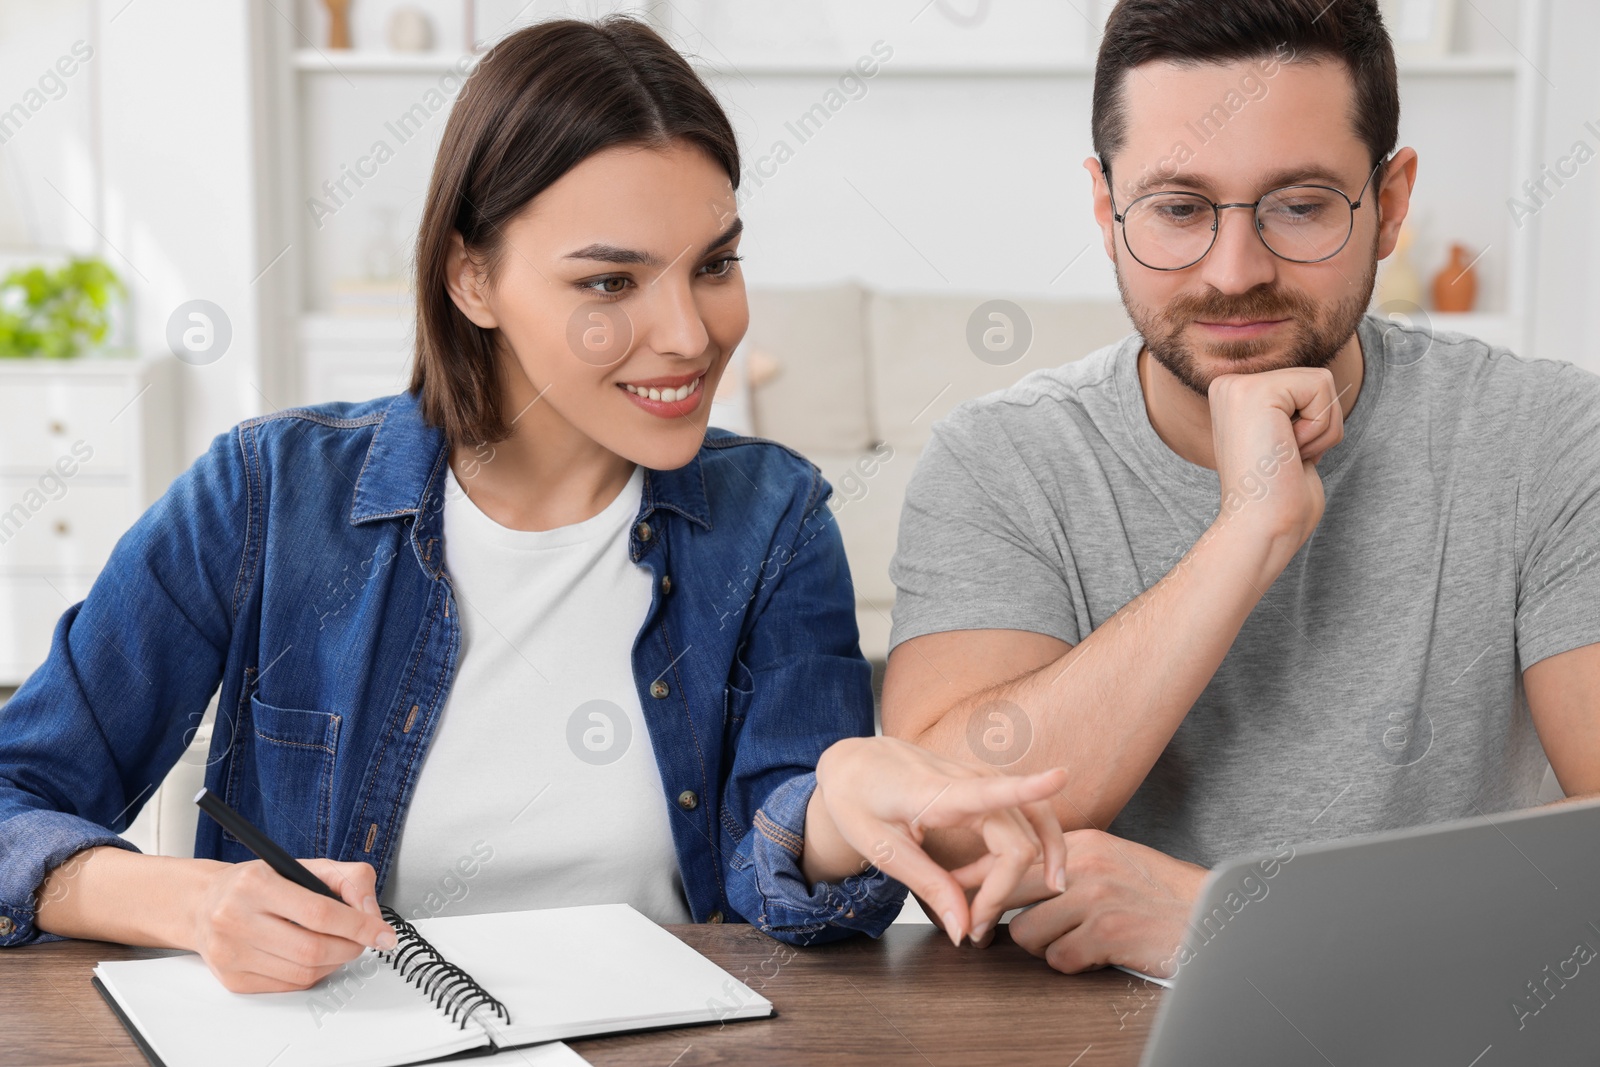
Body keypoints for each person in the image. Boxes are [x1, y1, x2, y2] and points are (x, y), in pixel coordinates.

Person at [0, 17, 1069, 992]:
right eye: (609, 282)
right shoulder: (263, 496)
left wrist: (841, 794)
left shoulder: (773, 521)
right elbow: (14, 796)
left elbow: (781, 869)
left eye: (715, 265)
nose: (691, 335)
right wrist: (188, 902)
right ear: (472, 280)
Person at [883, 0, 1600, 978]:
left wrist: (1237, 927)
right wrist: (1245, 534)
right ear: (1105, 211)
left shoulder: (1552, 436)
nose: (1233, 272)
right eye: (1178, 208)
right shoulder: (999, 459)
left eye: (1298, 204)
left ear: (1390, 203)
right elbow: (947, 838)